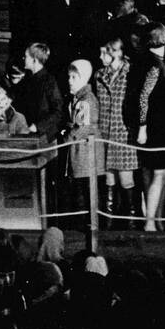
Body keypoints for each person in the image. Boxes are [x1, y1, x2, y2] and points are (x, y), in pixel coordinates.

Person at [136, 24, 165, 232]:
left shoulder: (153, 61)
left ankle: (156, 219)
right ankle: (150, 221)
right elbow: (144, 98)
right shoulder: (154, 65)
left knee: (160, 174)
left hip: (160, 125)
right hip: (156, 127)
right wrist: (142, 126)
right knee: (160, 174)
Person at [95, 37, 138, 220]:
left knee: (126, 177)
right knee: (109, 177)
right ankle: (109, 217)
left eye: (110, 50)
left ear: (121, 53)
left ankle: (131, 217)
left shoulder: (130, 73)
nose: (105, 55)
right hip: (105, 131)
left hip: (123, 131)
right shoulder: (99, 75)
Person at [65, 60, 100, 216]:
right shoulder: (77, 99)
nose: (69, 81)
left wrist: (66, 136)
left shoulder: (86, 101)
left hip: (85, 155)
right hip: (79, 154)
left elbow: (81, 129)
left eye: (74, 77)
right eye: (69, 77)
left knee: (83, 193)